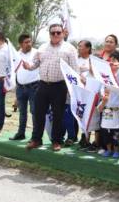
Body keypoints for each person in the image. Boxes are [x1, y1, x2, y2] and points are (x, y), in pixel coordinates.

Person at [23, 24, 79, 152]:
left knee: (58, 115)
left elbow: (74, 69)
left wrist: (74, 87)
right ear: (49, 34)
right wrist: (28, 66)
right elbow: (35, 63)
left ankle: (56, 141)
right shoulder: (42, 47)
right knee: (38, 113)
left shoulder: (70, 49)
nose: (55, 35)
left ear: (63, 34)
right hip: (42, 85)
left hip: (59, 86)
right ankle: (36, 139)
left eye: (58, 32)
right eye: (53, 33)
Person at [11, 34, 39, 141]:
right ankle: (20, 133)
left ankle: (35, 136)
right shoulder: (16, 55)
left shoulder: (37, 53)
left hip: (34, 87)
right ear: (20, 44)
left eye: (30, 41)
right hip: (20, 87)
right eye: (26, 42)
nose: (29, 44)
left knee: (34, 112)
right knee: (22, 112)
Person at [96, 87, 119, 158]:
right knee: (106, 139)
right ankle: (109, 150)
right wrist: (104, 102)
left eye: (108, 93)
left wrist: (110, 102)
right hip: (105, 125)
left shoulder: (115, 100)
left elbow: (118, 108)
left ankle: (116, 151)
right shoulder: (102, 101)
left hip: (115, 125)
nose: (106, 94)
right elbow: (99, 110)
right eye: (105, 93)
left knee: (115, 140)